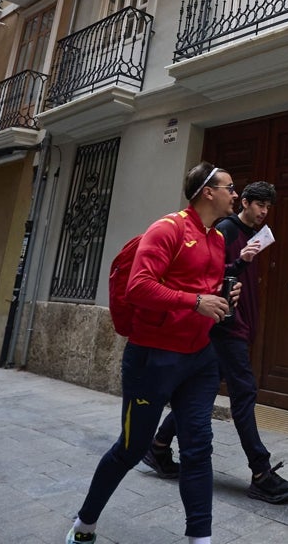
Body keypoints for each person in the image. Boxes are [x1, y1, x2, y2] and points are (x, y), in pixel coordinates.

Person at [67, 162, 240, 544]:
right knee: (132, 448)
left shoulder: (216, 238)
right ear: (208, 191)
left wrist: (224, 297)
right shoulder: (169, 229)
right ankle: (85, 522)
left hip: (199, 358)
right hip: (153, 359)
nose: (236, 194)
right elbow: (138, 287)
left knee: (198, 448)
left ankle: (201, 538)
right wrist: (195, 302)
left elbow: (203, 288)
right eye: (230, 186)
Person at [144, 181, 288, 503]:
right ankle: (261, 472)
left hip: (236, 325)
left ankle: (157, 447)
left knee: (201, 391)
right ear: (244, 202)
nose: (264, 213)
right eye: (260, 206)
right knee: (244, 393)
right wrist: (239, 262)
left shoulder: (252, 234)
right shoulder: (226, 230)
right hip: (225, 327)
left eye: (268, 208)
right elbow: (210, 274)